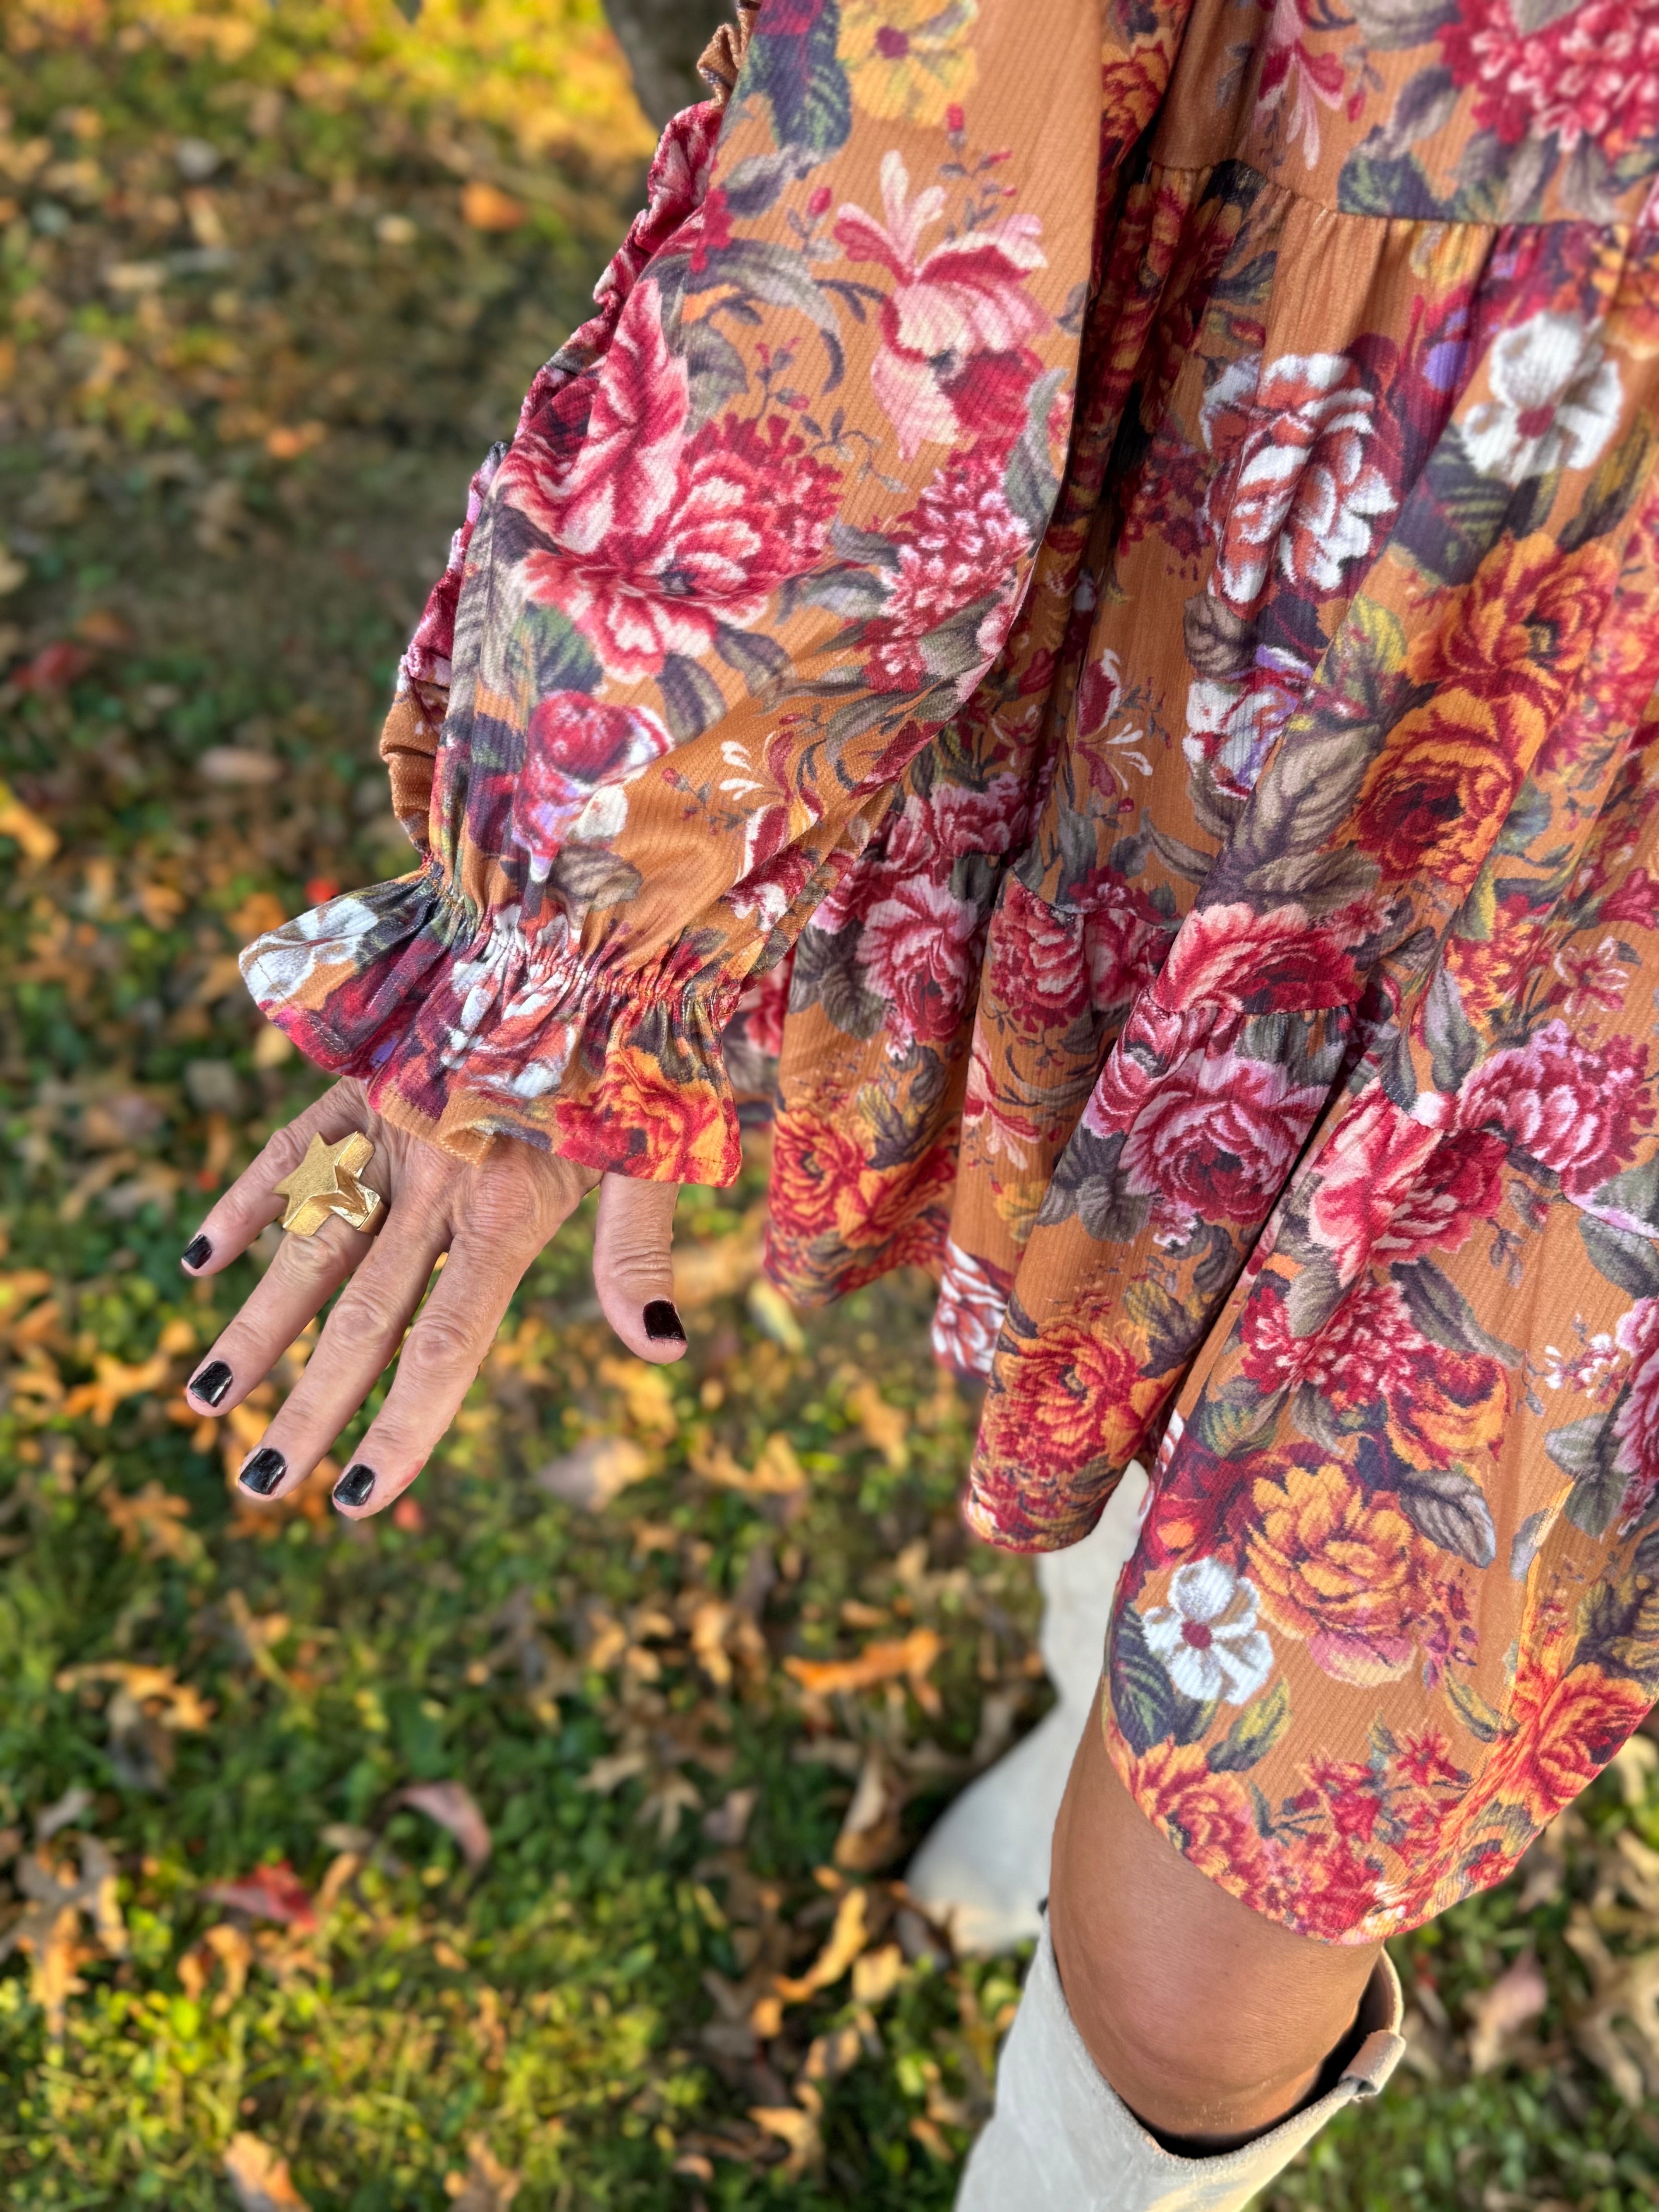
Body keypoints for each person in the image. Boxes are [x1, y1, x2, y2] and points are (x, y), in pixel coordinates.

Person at [177, 0, 1659, 2202]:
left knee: (1201, 1945)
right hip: (1303, 542)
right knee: (1114, 1352)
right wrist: (565, 927)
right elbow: (910, 121)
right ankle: (1099, 1670)